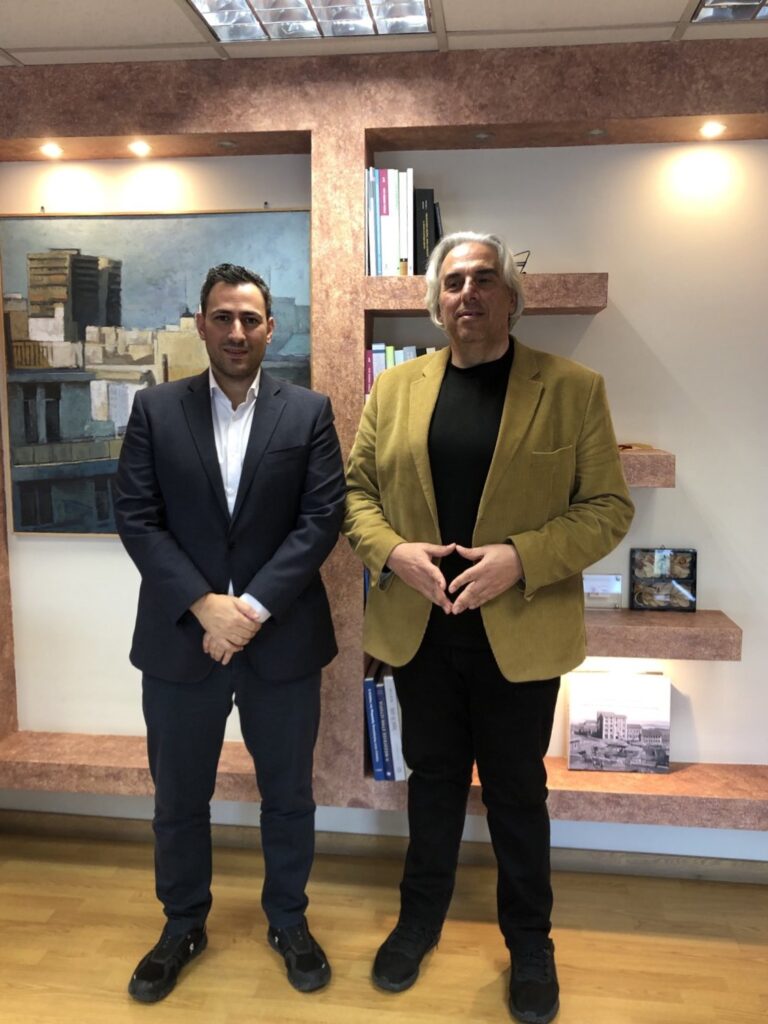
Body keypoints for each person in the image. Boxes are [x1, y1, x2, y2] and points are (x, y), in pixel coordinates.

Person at [344, 232, 633, 1024]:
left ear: (511, 295)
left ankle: (531, 943)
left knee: (516, 792)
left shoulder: (573, 388)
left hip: (522, 629)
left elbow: (608, 507)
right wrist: (392, 552)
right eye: (452, 282)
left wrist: (520, 558)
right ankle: (419, 921)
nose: (466, 293)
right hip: (422, 631)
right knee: (433, 782)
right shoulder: (394, 390)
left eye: (482, 279)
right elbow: (356, 494)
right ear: (436, 303)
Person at [115, 263, 345, 1003]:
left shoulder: (308, 412)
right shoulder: (155, 410)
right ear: (202, 325)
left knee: (289, 795)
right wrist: (203, 605)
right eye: (223, 317)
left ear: (270, 328)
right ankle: (182, 924)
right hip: (182, 639)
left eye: (250, 318)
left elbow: (321, 520)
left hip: (281, 639)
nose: (237, 331)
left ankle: (289, 921)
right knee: (178, 798)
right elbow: (137, 517)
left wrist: (247, 611)